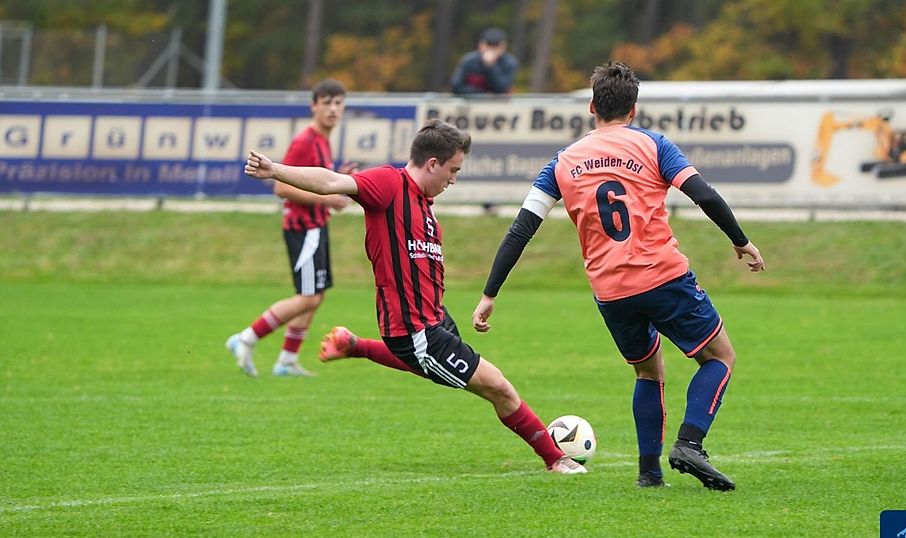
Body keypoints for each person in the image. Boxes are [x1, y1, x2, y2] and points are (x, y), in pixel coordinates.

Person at [471, 62, 765, 491]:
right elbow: (703, 194)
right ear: (634, 109)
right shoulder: (653, 144)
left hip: (610, 291)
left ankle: (649, 474)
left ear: (592, 106)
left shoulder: (562, 161)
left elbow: (521, 227)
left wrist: (489, 292)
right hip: (662, 276)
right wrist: (740, 241)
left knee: (648, 373)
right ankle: (690, 443)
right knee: (719, 357)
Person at [244, 119, 586, 474]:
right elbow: (331, 182)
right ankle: (556, 458)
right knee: (498, 387)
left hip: (434, 319)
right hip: (416, 329)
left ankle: (355, 345)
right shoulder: (389, 183)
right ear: (433, 164)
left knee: (446, 373)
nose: (453, 179)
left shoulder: (424, 205)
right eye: (452, 170)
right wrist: (274, 170)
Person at [225, 79, 355, 377]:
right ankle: (245, 338)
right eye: (327, 102)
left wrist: (337, 181)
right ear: (314, 106)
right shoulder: (305, 141)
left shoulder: (322, 140)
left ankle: (286, 360)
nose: (333, 109)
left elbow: (312, 180)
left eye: (339, 103)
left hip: (316, 225)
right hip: (303, 227)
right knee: (307, 296)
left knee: (316, 295)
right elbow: (281, 188)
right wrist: (330, 199)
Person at [450, 27, 519, 95]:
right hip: (471, 103)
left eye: (496, 45)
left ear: (504, 46)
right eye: (489, 44)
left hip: (499, 104)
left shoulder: (510, 62)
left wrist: (491, 66)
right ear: (481, 45)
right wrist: (482, 94)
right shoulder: (469, 60)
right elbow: (456, 86)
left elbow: (501, 89)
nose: (492, 49)